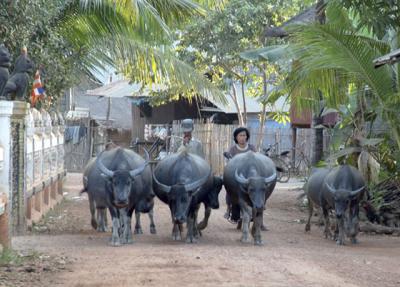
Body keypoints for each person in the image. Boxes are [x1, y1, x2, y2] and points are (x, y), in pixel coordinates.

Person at [224, 127, 256, 223]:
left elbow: (256, 161)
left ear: (247, 137)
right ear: (236, 137)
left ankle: (259, 209)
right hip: (236, 176)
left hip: (250, 176)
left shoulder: (252, 148)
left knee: (259, 188)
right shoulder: (232, 150)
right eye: (240, 135)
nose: (243, 137)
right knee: (228, 186)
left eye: (244, 135)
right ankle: (230, 208)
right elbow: (228, 164)